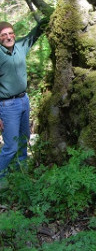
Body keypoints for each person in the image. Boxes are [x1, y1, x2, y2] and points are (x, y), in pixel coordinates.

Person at [0, 19, 47, 179]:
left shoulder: (20, 47)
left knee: (24, 139)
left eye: (10, 33)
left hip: (23, 100)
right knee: (10, 146)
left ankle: (21, 175)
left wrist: (47, 19)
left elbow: (33, 35)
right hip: (7, 106)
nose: (8, 37)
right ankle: (1, 177)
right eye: (3, 35)